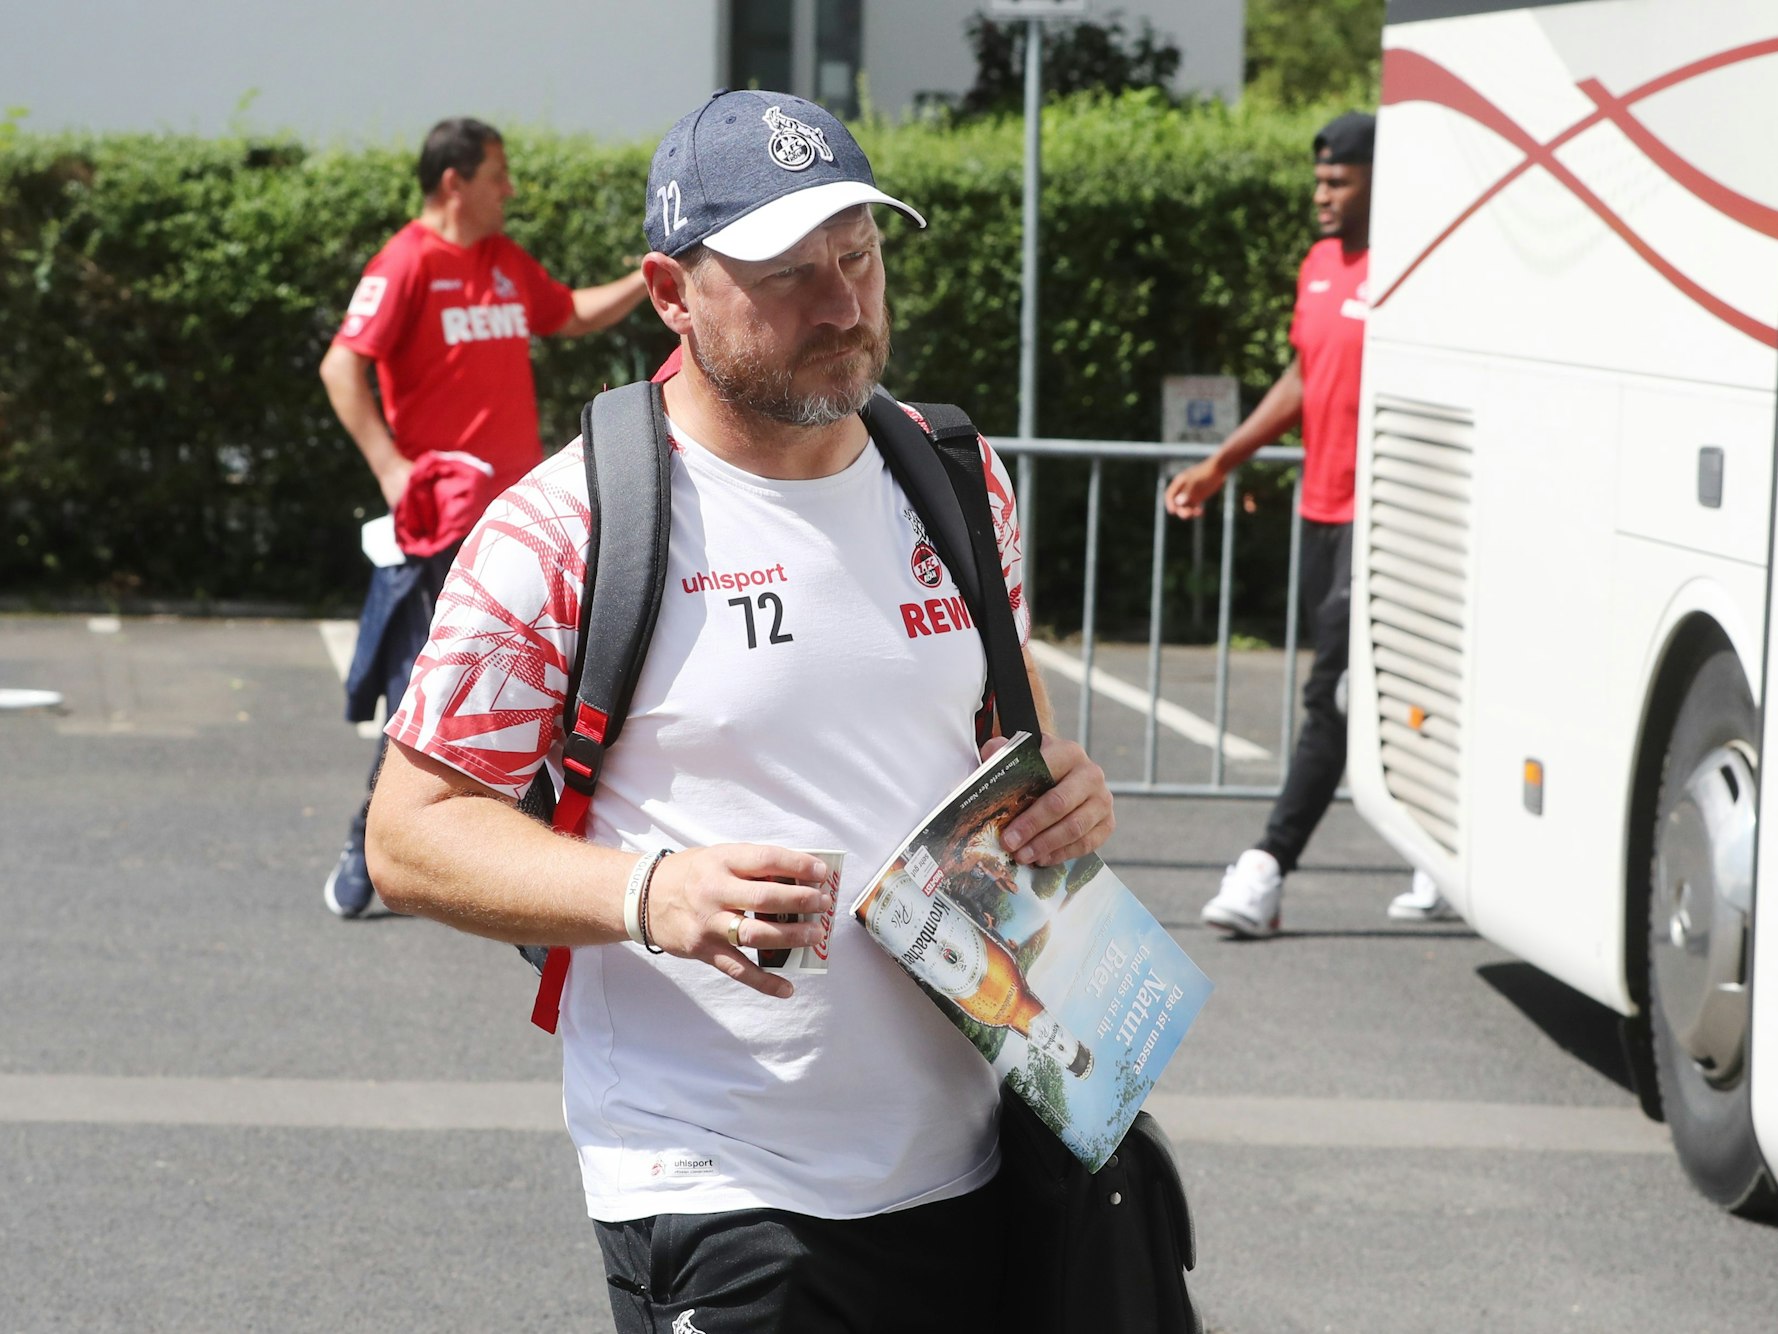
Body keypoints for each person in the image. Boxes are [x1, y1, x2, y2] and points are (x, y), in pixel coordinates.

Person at [364, 90, 1115, 1331]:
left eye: (857, 256)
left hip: (984, 1161)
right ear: (670, 291)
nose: (842, 305)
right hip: (714, 1180)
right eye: (786, 276)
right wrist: (648, 892)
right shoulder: (564, 526)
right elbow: (409, 833)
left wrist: (1060, 788)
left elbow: (1005, 715)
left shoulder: (956, 473)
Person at [318, 116, 649, 919]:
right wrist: (391, 468)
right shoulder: (405, 262)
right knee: (431, 695)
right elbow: (340, 366)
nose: (510, 189)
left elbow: (568, 312)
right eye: (497, 175)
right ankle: (374, 840)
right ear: (454, 182)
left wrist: (652, 278)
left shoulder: (502, 260)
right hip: (446, 524)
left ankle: (528, 854)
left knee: (546, 692)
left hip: (526, 526)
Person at [1165, 111, 1451, 937]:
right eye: (1318, 180)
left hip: (1385, 518)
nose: (1321, 195)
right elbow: (1302, 374)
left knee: (1332, 695)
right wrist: (1224, 461)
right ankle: (1441, 851)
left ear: (1380, 182)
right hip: (1320, 514)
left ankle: (1266, 870)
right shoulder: (1320, 265)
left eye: (1338, 181)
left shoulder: (1409, 274)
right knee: (1379, 694)